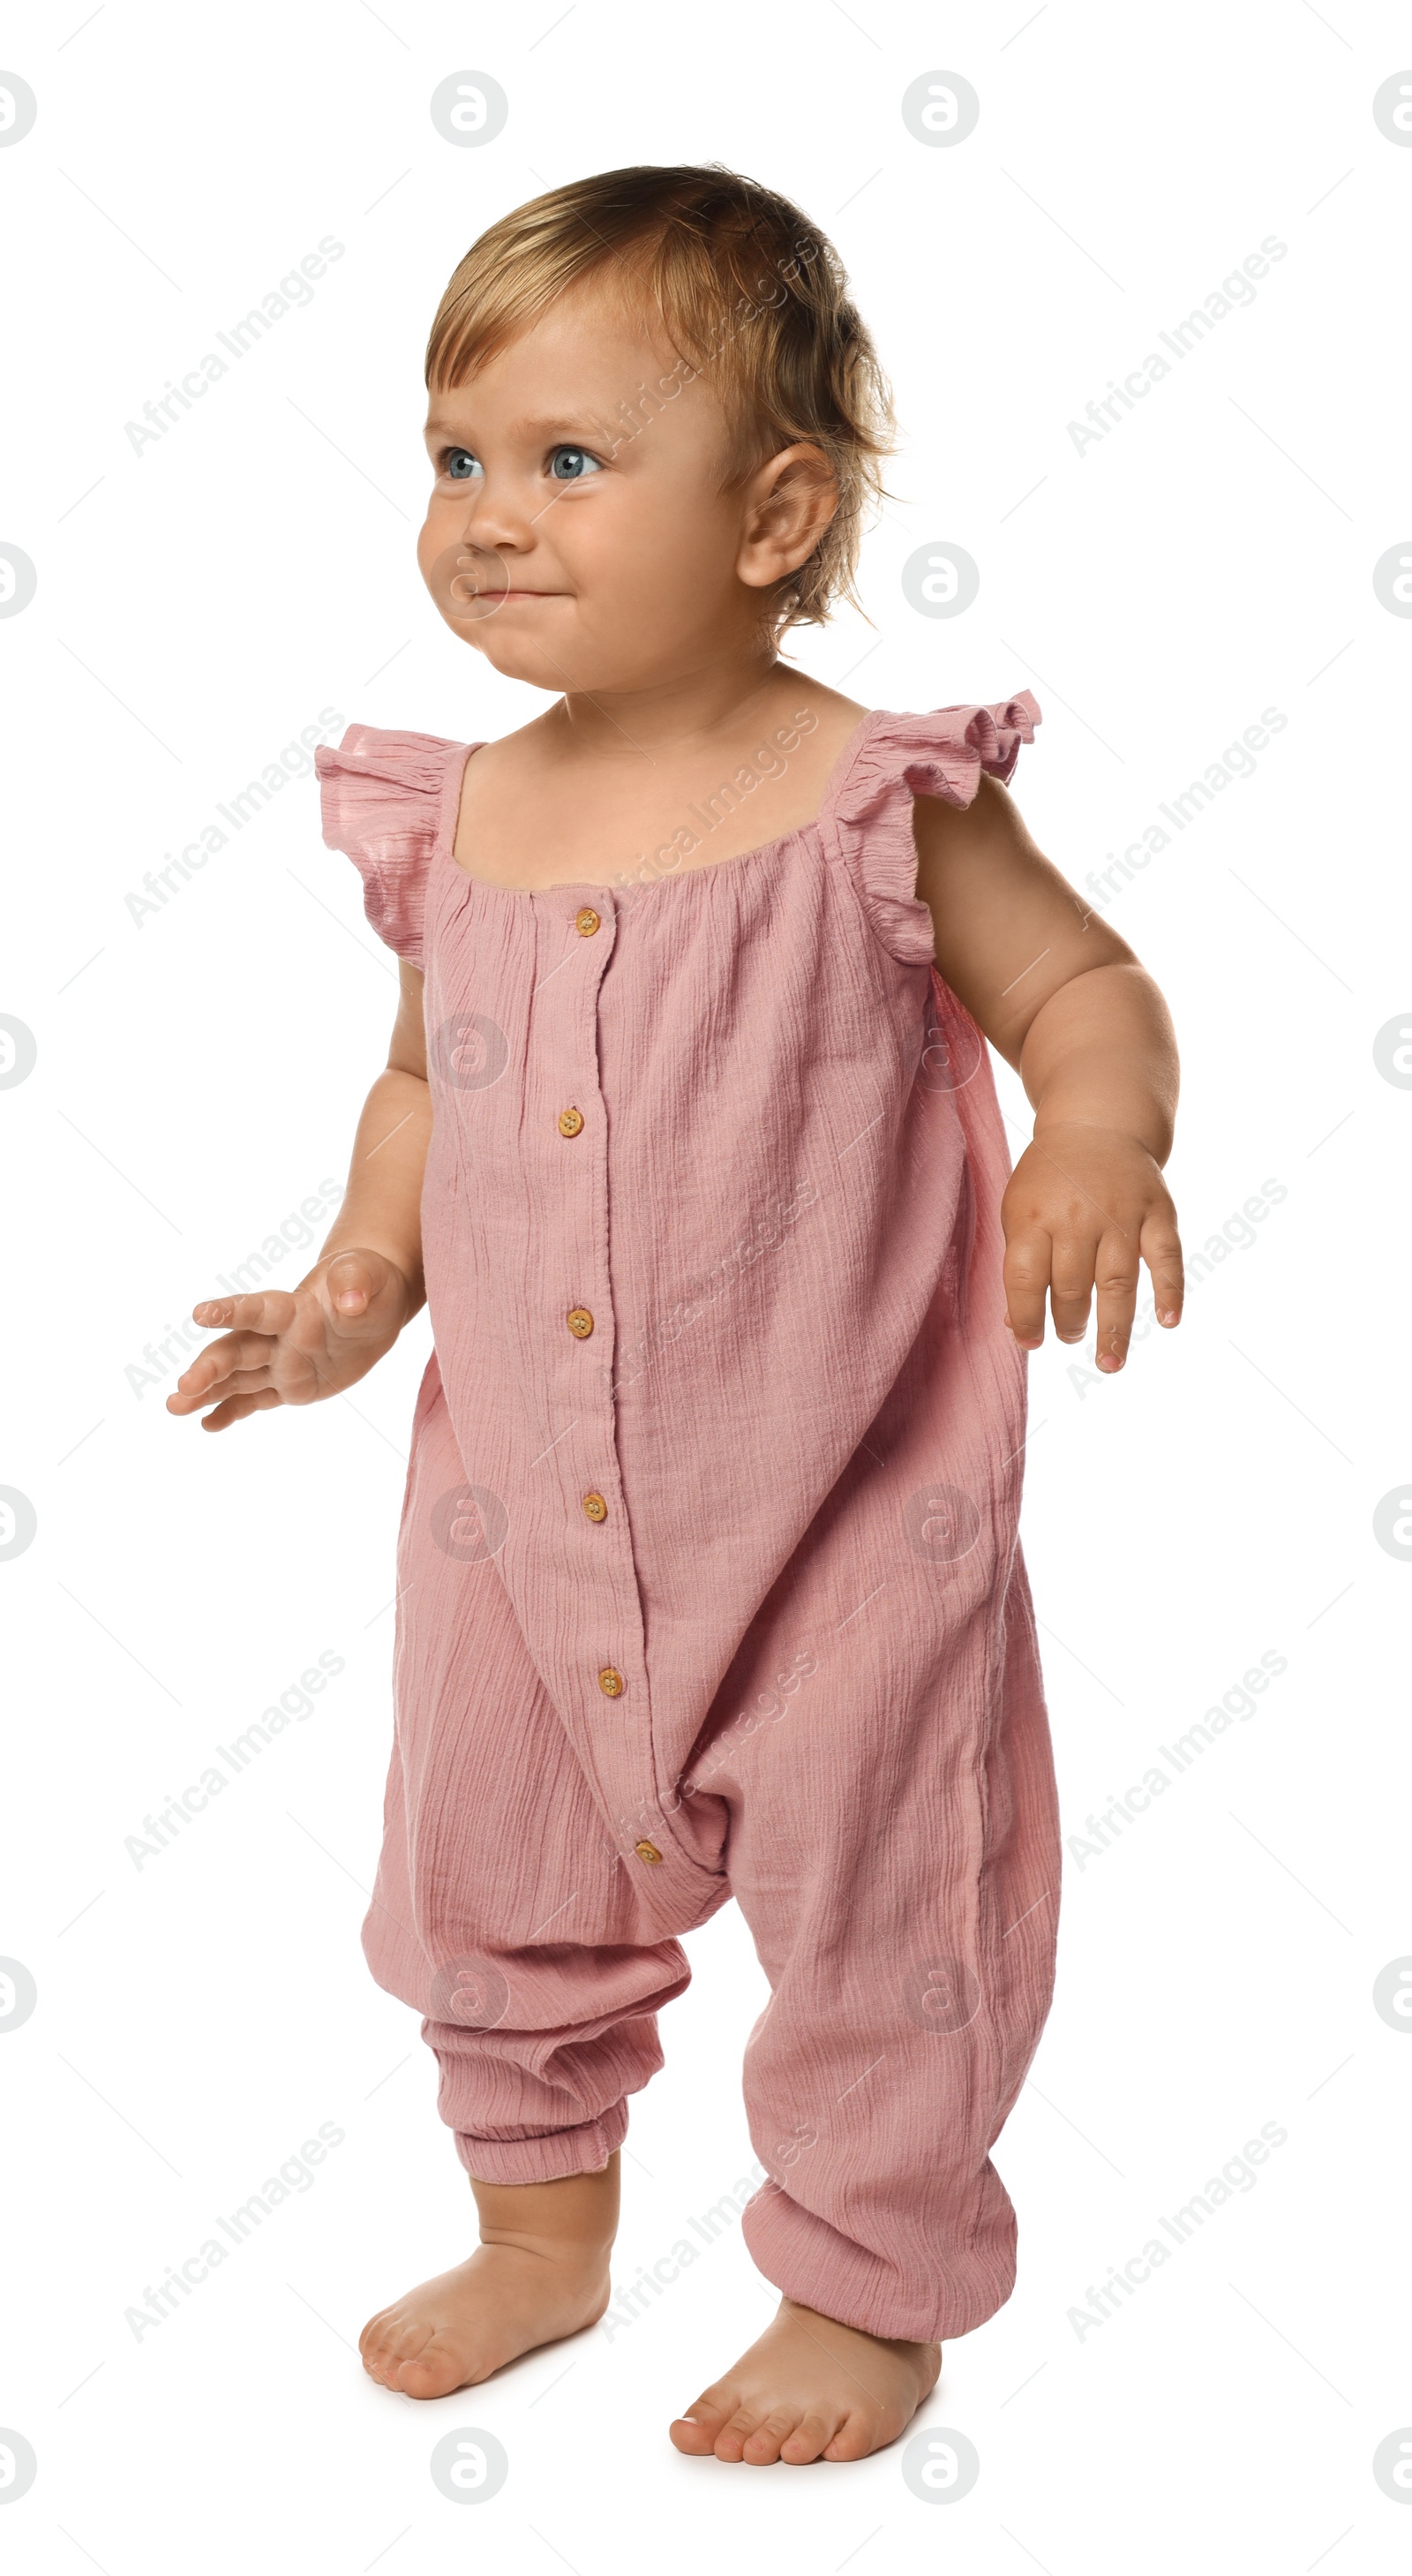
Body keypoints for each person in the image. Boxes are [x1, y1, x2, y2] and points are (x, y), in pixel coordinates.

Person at [169, 164, 1183, 2467]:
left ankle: (867, 2279)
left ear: (774, 510)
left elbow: (1085, 986)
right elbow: (429, 1091)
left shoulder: (870, 801)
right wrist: (352, 1293)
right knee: (490, 1881)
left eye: (565, 463)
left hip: (845, 1514)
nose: (486, 520)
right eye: (453, 461)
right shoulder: (472, 823)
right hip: (518, 1525)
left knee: (889, 1901)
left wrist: (1099, 1138)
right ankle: (542, 2231)